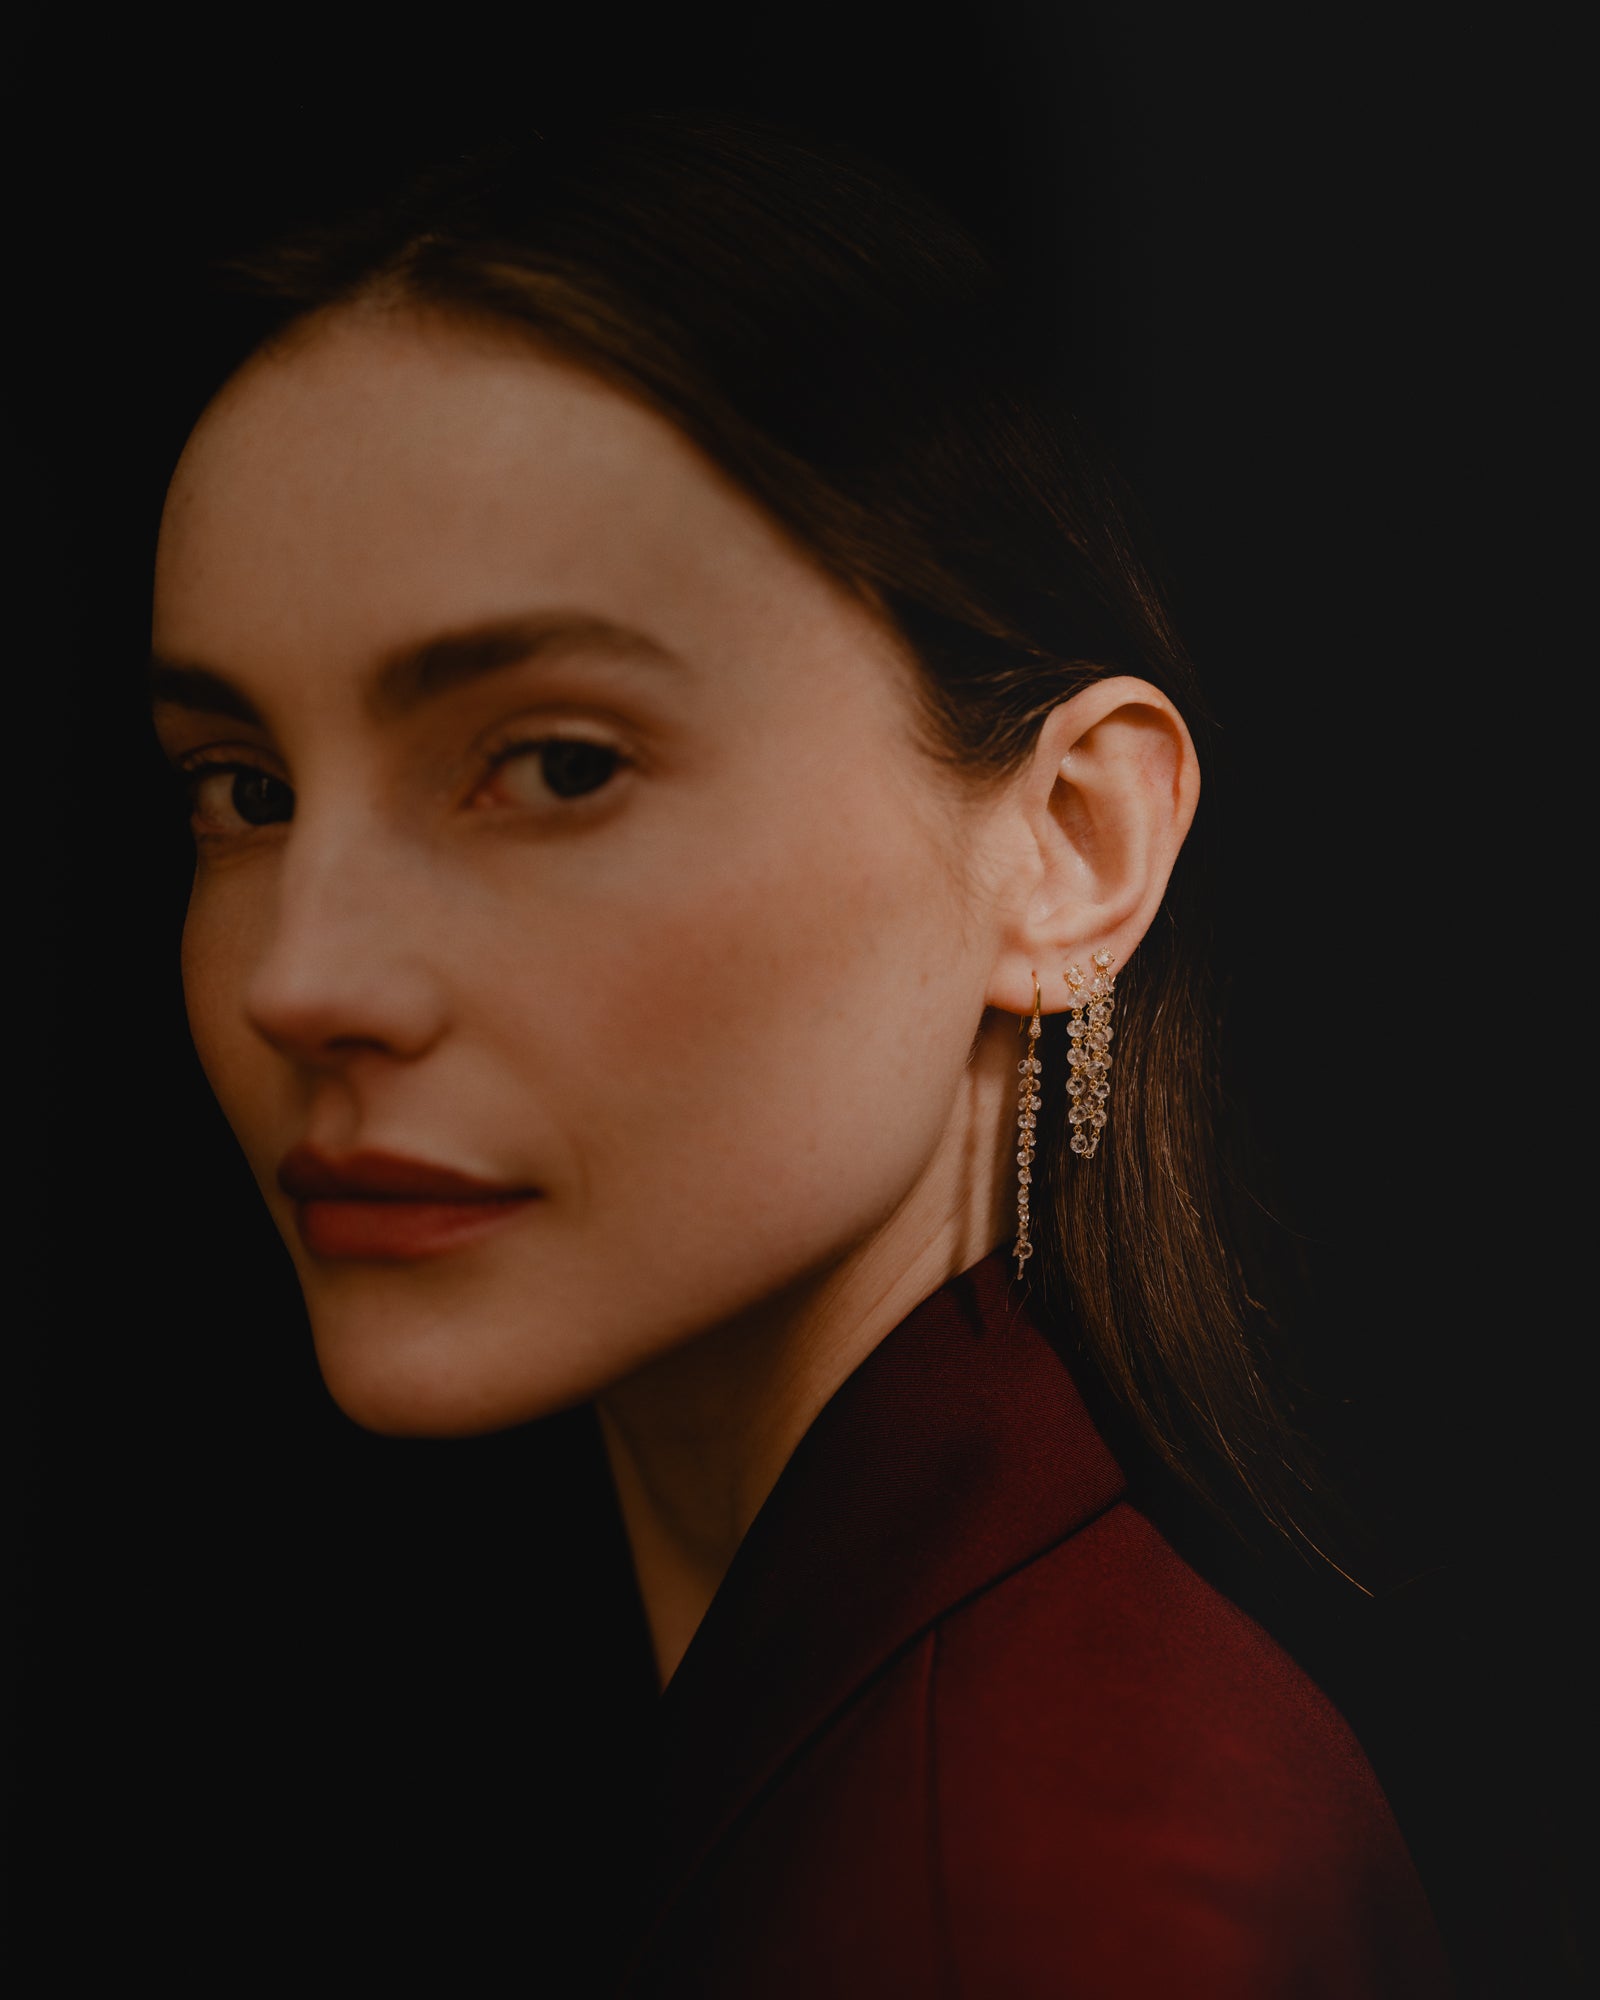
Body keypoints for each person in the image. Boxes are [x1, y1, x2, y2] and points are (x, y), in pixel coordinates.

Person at [146, 112, 1450, 1995]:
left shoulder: (1029, 1903)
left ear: (1073, 845)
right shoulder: (928, 1723)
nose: (304, 977)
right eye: (245, 788)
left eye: (559, 765)